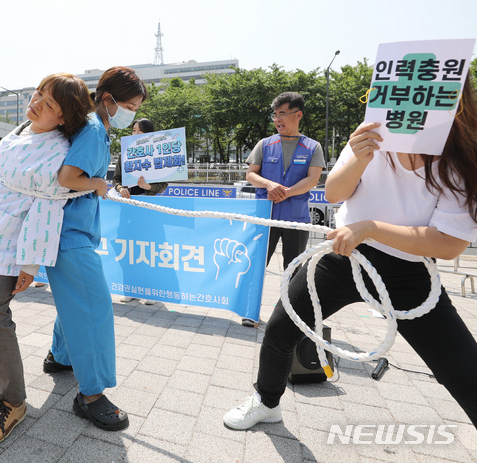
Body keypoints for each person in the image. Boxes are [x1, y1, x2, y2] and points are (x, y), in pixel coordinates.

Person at [223, 77, 477, 431]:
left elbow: (449, 243)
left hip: (408, 270)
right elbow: (334, 192)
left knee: (463, 368)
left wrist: (371, 227)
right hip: (342, 256)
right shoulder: (371, 133)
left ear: (454, 101)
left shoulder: (460, 155)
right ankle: (266, 402)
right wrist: (359, 157)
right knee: (282, 328)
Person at [0, 73, 93, 448]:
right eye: (38, 94)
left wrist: (30, 264)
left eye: (49, 104)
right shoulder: (19, 131)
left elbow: (49, 208)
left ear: (63, 118)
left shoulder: (60, 150)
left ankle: (12, 401)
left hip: (10, 244)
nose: (37, 103)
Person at [42, 66, 147, 432]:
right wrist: (100, 183)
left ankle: (61, 356)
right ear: (108, 99)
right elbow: (69, 178)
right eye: (130, 105)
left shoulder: (93, 127)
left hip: (70, 231)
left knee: (76, 300)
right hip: (71, 233)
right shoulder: (92, 129)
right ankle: (91, 395)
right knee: (94, 307)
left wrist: (104, 185)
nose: (132, 112)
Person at [245, 92, 326, 271]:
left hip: (297, 219)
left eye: (282, 113)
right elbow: (250, 175)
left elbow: (313, 179)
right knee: (255, 266)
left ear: (298, 115)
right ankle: (252, 300)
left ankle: (285, 300)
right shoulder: (264, 144)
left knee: (293, 269)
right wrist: (269, 185)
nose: (277, 119)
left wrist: (287, 193)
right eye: (275, 115)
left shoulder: (313, 147)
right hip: (266, 217)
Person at [114, 117, 166, 305]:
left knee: (149, 247)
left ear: (149, 134)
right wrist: (121, 189)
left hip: (147, 208)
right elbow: (117, 179)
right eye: (134, 130)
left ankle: (150, 291)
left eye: (140, 131)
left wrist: (148, 186)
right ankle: (130, 288)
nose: (135, 134)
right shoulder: (125, 152)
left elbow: (163, 185)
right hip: (127, 208)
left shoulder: (157, 154)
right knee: (128, 246)